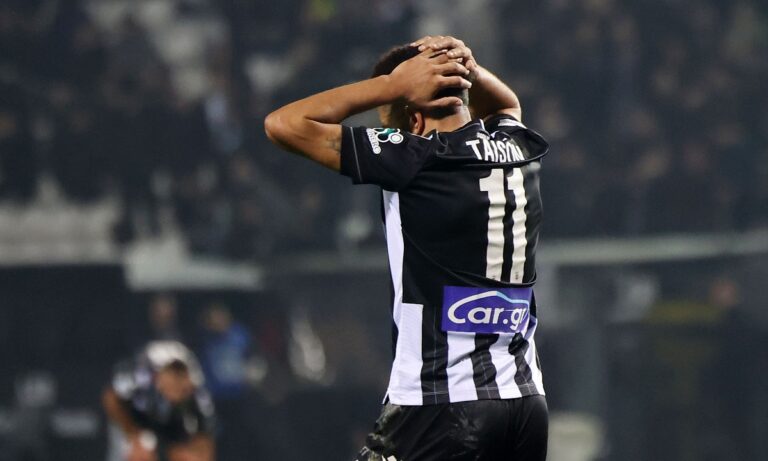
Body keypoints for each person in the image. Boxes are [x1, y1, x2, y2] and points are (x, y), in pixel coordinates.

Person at [265, 35, 550, 460]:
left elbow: (283, 124)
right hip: (526, 403)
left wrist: (392, 86)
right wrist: (465, 68)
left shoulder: (417, 157)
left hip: (441, 402)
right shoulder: (518, 148)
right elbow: (507, 104)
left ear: (412, 123)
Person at [102, 341, 216, 461]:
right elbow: (111, 397)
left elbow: (205, 435)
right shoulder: (141, 378)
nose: (177, 390)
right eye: (173, 383)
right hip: (133, 418)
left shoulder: (196, 392)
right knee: (139, 452)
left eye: (182, 388)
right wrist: (133, 435)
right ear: (160, 375)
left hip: (169, 421)